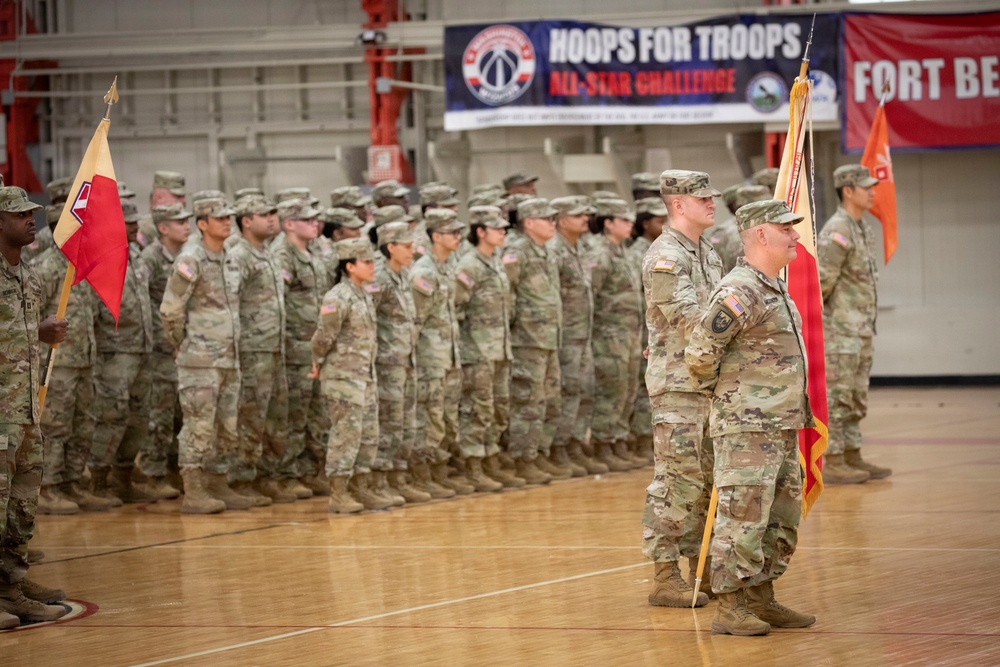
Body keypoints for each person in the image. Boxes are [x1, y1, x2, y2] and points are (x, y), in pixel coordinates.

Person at [686, 198, 817, 636]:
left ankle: (761, 596)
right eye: (786, 229)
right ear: (761, 234)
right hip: (747, 428)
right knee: (742, 516)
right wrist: (730, 401)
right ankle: (730, 605)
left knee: (780, 517)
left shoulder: (772, 286)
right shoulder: (739, 290)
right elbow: (701, 354)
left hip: (780, 424)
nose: (795, 236)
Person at [640, 170, 726, 608]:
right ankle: (664, 574)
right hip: (677, 386)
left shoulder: (706, 252)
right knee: (676, 480)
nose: (712, 203)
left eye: (712, 197)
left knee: (707, 478)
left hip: (706, 383)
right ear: (678, 205)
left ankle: (702, 568)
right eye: (702, 198)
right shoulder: (666, 257)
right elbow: (692, 320)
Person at [0, 185, 69, 626]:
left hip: (25, 410)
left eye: (32, 212)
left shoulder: (29, 275)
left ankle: (10, 586)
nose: (31, 219)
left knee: (21, 507)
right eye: (20, 214)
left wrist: (40, 332)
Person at [160, 197, 250, 514]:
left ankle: (219, 481)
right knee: (199, 426)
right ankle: (194, 490)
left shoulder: (230, 258)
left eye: (229, 217)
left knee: (227, 426)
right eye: (219, 217)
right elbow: (170, 309)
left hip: (229, 357)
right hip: (199, 360)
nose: (227, 222)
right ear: (202, 223)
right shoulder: (191, 260)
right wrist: (183, 344)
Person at [817, 164, 892, 483]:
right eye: (866, 187)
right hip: (840, 332)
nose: (872, 191)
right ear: (848, 191)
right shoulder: (837, 230)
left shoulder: (862, 227)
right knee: (838, 396)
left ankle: (852, 454)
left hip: (860, 330)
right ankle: (832, 459)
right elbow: (822, 283)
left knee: (856, 395)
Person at [30, 204, 101, 514]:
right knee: (55, 426)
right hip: (56, 361)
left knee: (83, 423)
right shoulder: (44, 268)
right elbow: (30, 318)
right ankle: (49, 488)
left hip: (84, 356)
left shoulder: (83, 265)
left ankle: (73, 482)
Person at [87, 199, 158, 506]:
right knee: (111, 416)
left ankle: (123, 478)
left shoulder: (137, 257)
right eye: (126, 221)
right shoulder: (101, 259)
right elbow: (90, 312)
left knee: (138, 418)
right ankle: (97, 482)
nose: (133, 225)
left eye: (134, 220)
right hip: (113, 353)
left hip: (142, 350)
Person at [312, 237, 385, 513]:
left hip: (364, 376)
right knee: (346, 434)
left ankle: (361, 488)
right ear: (350, 266)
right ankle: (339, 493)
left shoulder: (363, 294)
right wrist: (317, 362)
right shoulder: (337, 297)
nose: (372, 266)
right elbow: (322, 338)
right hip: (343, 378)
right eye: (367, 262)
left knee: (368, 434)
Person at [228, 197, 290, 505]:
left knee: (275, 418)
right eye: (264, 214)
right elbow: (231, 302)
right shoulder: (238, 256)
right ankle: (240, 480)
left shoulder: (268, 254)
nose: (271, 219)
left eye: (273, 214)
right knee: (250, 417)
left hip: (273, 348)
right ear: (246, 221)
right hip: (252, 350)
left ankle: (269, 476)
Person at [453, 206, 516, 492]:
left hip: (500, 349)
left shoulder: (497, 261)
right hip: (477, 350)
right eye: (497, 228)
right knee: (478, 409)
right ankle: (473, 465)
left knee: (499, 406)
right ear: (480, 231)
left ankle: (491, 457)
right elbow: (456, 309)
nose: (503, 232)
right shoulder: (469, 265)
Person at [504, 198, 564, 484]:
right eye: (546, 219)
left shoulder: (546, 251)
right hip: (527, 340)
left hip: (548, 338)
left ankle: (538, 451)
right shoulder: (517, 252)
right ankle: (521, 458)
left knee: (548, 399)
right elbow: (508, 296)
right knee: (527, 400)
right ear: (529, 223)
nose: (552, 224)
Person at [410, 209, 470, 495]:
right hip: (430, 358)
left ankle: (440, 470)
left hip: (449, 355)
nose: (458, 237)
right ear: (435, 236)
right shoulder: (424, 272)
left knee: (447, 416)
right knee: (429, 416)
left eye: (459, 232)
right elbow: (416, 321)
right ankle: (423, 474)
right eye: (452, 233)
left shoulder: (447, 267)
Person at [370, 221, 431, 503]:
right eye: (406, 247)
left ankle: (398, 476)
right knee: (389, 422)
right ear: (390, 247)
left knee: (407, 421)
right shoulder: (378, 278)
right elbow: (367, 320)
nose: (412, 251)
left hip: (407, 359)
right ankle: (379, 481)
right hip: (387, 363)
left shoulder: (405, 275)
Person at [276, 198, 331, 498]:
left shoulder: (312, 255)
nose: (314, 223)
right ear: (289, 224)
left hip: (314, 347)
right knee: (294, 415)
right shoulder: (283, 256)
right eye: (307, 219)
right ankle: (287, 473)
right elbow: (279, 304)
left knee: (314, 415)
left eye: (315, 218)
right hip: (294, 347)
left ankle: (310, 470)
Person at [588, 198, 646, 473]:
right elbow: (592, 296)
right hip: (607, 334)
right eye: (623, 220)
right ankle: (603, 443)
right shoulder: (599, 254)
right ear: (607, 223)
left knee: (627, 388)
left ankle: (619, 440)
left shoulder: (624, 251)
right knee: (610, 389)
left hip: (629, 332)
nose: (629, 224)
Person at [548, 195, 605, 476]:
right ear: (560, 220)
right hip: (565, 335)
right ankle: (558, 447)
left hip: (584, 333)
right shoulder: (554, 251)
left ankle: (574, 443)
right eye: (578, 214)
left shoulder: (581, 248)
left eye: (586, 214)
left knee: (585, 391)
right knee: (567, 392)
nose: (585, 218)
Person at [140, 203, 191, 499]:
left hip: (181, 346)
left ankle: (174, 470)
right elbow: (142, 302)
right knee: (159, 414)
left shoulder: (187, 256)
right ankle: (153, 474)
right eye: (179, 221)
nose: (186, 226)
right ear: (163, 228)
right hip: (159, 349)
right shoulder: (150, 259)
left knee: (179, 413)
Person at [628, 197, 669, 465]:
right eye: (658, 221)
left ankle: (640, 440)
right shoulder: (640, 252)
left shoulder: (661, 248)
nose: (663, 225)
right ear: (645, 224)